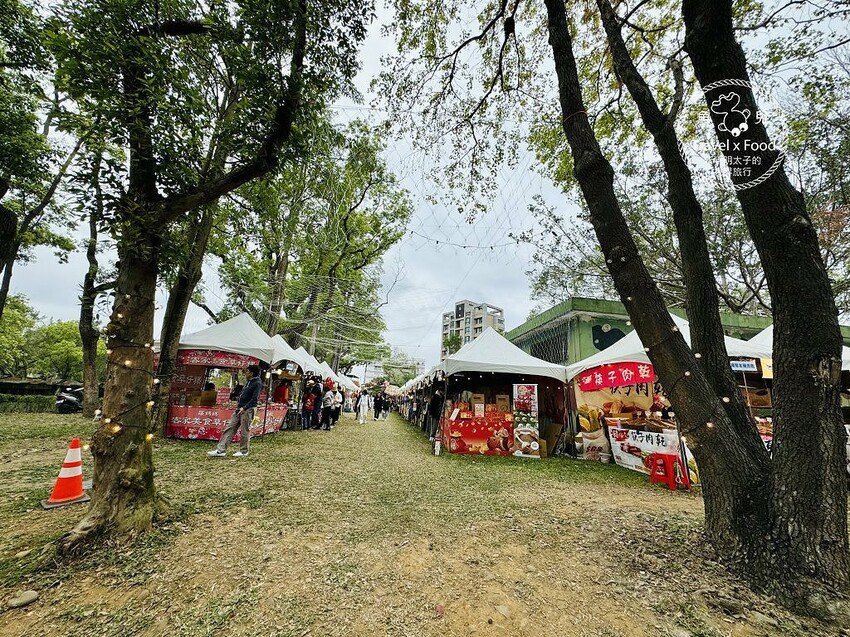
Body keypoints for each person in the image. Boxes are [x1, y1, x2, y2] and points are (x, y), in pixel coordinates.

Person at [208, 364, 261, 458]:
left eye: (247, 371)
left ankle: (243, 451)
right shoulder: (248, 382)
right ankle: (221, 450)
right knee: (230, 427)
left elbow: (254, 399)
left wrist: (245, 408)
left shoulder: (257, 383)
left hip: (248, 409)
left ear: (252, 373)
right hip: (239, 408)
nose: (245, 373)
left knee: (245, 430)